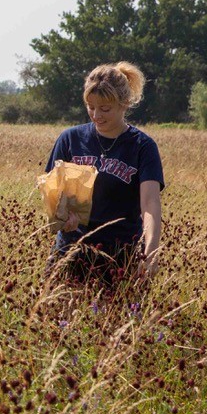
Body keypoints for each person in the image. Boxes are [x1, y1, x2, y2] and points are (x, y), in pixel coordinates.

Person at [45, 61, 163, 287]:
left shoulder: (143, 147)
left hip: (121, 257)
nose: (96, 115)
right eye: (90, 107)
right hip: (71, 252)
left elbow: (150, 204)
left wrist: (151, 251)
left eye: (105, 109)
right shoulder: (70, 139)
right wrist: (62, 216)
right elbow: (51, 192)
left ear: (124, 103)